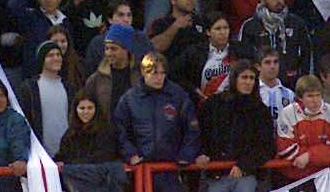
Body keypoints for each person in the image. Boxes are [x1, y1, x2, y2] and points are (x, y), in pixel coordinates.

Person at [114, 53, 199, 192]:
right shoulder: (129, 99)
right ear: (143, 72)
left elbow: (192, 128)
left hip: (171, 169)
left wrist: (186, 154)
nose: (159, 78)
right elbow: (119, 130)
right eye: (154, 73)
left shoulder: (178, 95)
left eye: (162, 73)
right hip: (140, 170)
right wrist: (130, 154)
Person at [195, 61, 274, 192]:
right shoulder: (213, 104)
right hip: (216, 174)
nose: (248, 82)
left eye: (252, 78)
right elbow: (200, 133)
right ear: (234, 79)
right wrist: (201, 153)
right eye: (244, 77)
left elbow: (266, 146)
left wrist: (244, 165)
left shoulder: (261, 111)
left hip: (246, 175)